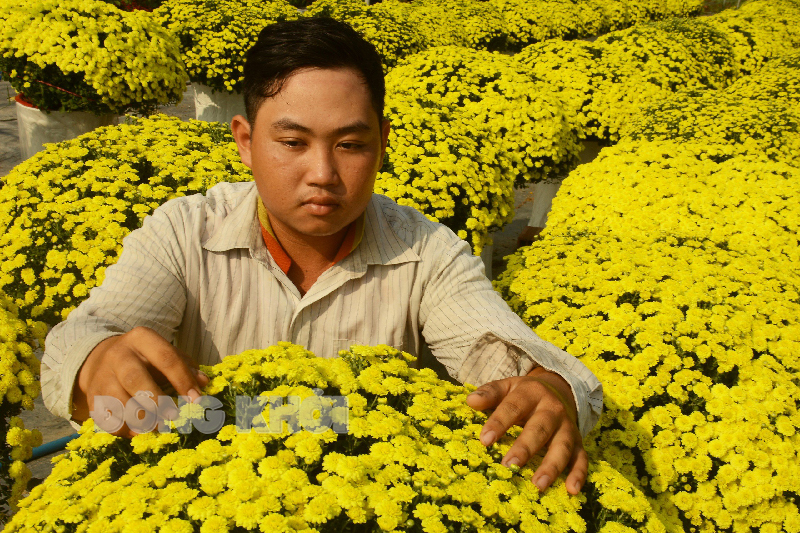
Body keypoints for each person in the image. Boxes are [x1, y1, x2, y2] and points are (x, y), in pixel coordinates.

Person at [41, 18, 602, 496]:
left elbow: (496, 347)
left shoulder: (427, 251)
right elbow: (82, 336)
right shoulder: (185, 232)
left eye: (350, 145)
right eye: (292, 143)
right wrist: (96, 357)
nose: (322, 175)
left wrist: (548, 386)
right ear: (244, 140)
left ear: (381, 143)